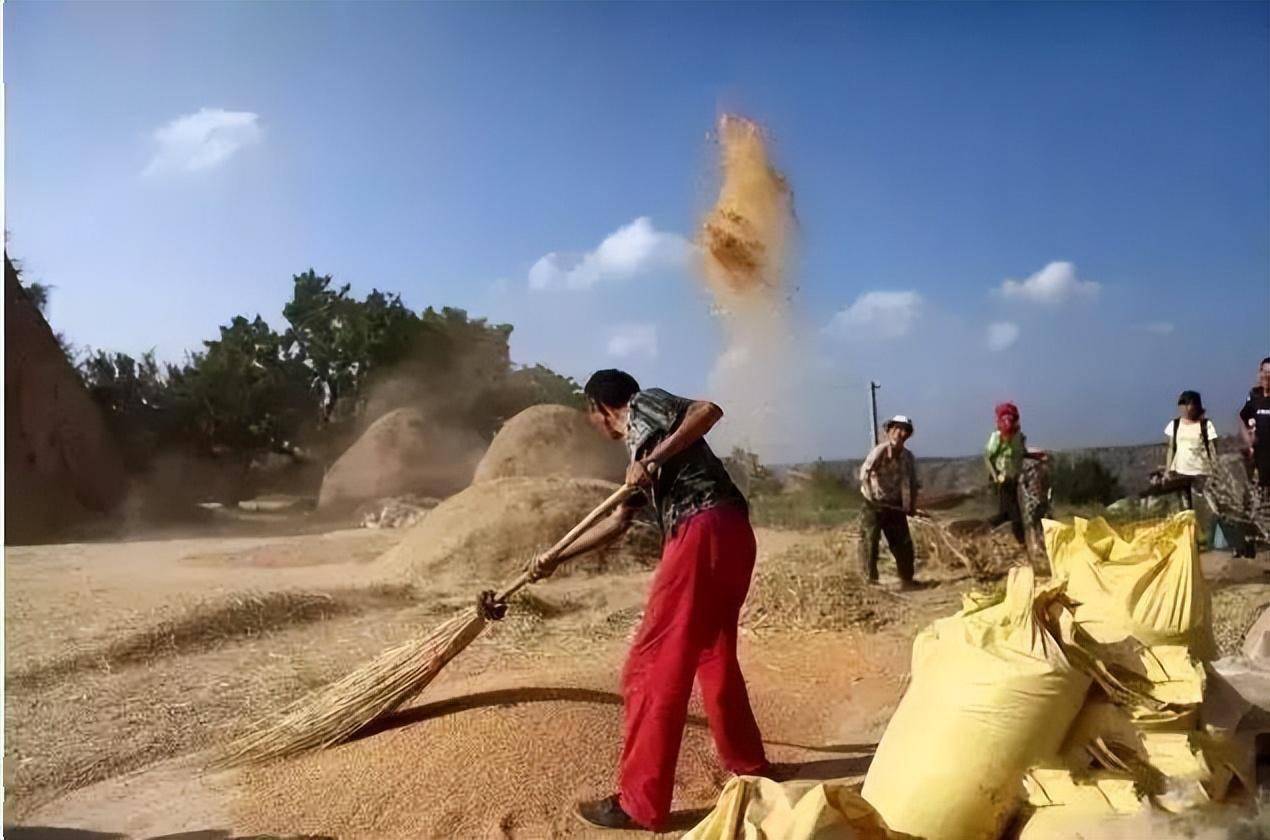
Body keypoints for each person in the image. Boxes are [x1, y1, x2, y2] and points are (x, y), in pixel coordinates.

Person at [527, 369, 768, 832]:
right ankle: (749, 767)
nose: (591, 422)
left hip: (700, 530)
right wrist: (556, 558)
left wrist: (654, 459)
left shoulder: (644, 406)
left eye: (589, 414)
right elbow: (618, 524)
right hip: (731, 531)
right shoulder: (639, 449)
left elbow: (708, 411)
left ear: (600, 408)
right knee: (714, 654)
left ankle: (640, 803)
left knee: (649, 664)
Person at [858, 415, 921, 590]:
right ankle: (869, 580)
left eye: (904, 430)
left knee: (903, 543)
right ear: (889, 431)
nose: (900, 433)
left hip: (895, 505)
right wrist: (870, 494)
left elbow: (912, 484)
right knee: (870, 540)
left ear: (907, 435)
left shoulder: (908, 457)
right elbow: (864, 474)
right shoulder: (880, 451)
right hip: (874, 504)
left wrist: (910, 506)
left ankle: (906, 579)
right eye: (896, 429)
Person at [1162, 390, 1220, 547]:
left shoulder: (1206, 425)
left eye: (1189, 404)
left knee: (1210, 507)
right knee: (1185, 509)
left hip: (1202, 472)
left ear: (1196, 406)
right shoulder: (1174, 425)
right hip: (1180, 471)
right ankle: (1190, 541)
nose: (1186, 408)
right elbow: (1171, 448)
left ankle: (1212, 539)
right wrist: (1168, 470)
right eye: (1183, 404)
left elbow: (1214, 449)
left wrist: (1215, 470)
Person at [984, 403, 1046, 545]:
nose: (1008, 436)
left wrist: (1037, 456)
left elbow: (1022, 453)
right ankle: (1023, 545)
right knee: (1015, 516)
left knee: (1005, 514)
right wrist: (995, 476)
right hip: (1003, 480)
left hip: (1014, 479)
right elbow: (987, 458)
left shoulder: (1019, 437)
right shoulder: (996, 438)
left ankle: (983, 528)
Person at [1237, 357, 1270, 556]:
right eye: (1265, 372)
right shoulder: (1254, 396)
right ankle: (1248, 545)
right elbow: (1242, 418)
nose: (1267, 376)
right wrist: (1248, 439)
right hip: (1257, 459)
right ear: (1260, 373)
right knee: (1252, 501)